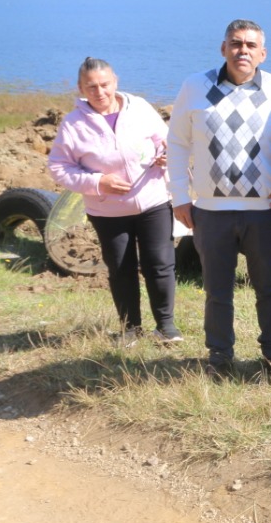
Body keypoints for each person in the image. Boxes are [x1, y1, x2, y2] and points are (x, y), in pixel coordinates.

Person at [167, 21, 271, 378]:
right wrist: (180, 198)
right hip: (211, 212)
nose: (243, 50)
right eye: (236, 44)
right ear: (223, 48)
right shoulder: (195, 87)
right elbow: (177, 144)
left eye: (251, 45)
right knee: (217, 290)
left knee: (270, 287)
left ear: (263, 53)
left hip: (264, 212)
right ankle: (220, 358)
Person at [48, 57, 181, 346]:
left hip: (153, 200)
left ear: (115, 81)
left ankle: (166, 327)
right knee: (121, 268)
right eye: (91, 86)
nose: (99, 92)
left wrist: (166, 155)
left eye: (104, 84)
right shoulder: (73, 124)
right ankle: (130, 329)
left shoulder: (140, 108)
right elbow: (58, 167)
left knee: (159, 263)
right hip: (107, 210)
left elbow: (167, 139)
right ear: (81, 88)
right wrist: (98, 183)